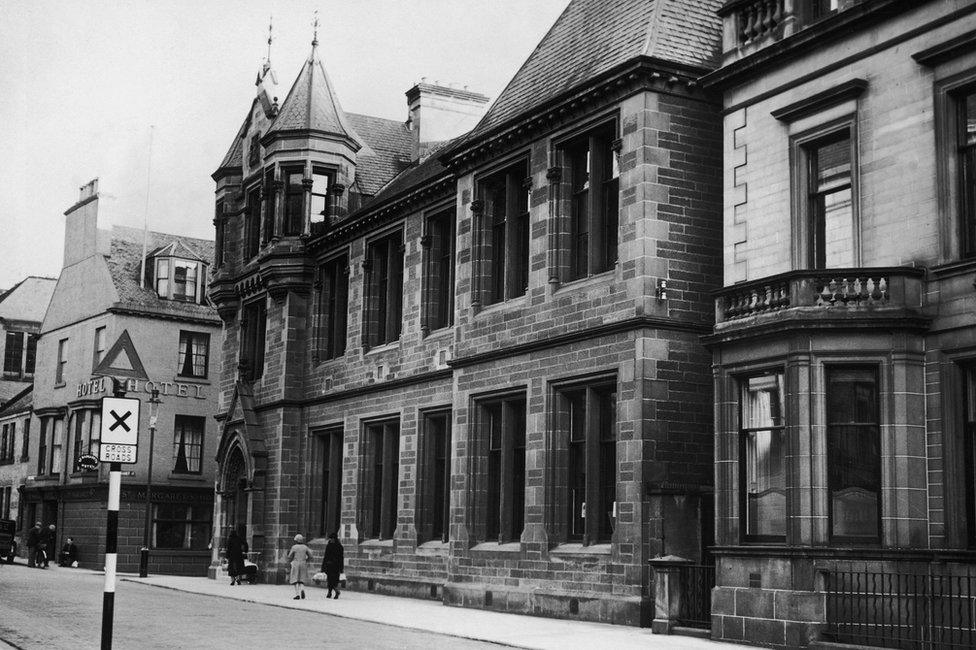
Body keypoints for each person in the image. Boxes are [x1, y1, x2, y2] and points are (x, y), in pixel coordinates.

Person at [286, 534, 313, 600]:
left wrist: (289, 562)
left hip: (296, 563)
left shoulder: (294, 547)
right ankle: (302, 589)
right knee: (302, 578)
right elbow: (310, 556)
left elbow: (290, 556)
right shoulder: (305, 547)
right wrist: (306, 560)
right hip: (303, 563)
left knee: (295, 579)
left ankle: (297, 594)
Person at [321, 532, 344, 599]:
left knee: (332, 580)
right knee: (331, 579)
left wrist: (341, 568)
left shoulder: (334, 546)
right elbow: (326, 556)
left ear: (334, 539)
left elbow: (341, 557)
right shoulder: (337, 546)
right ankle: (330, 592)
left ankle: (334, 591)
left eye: (331, 538)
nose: (330, 540)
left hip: (333, 566)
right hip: (332, 566)